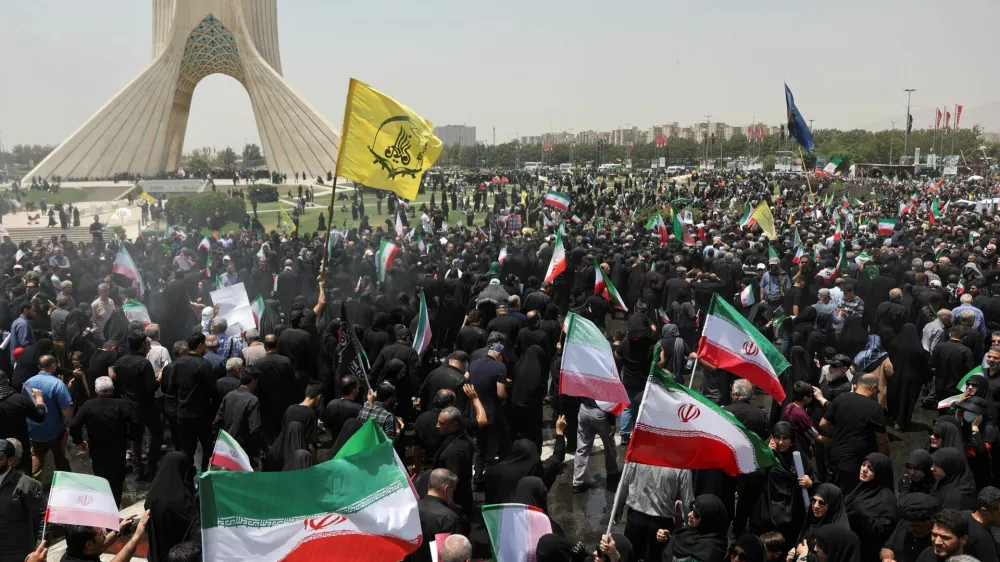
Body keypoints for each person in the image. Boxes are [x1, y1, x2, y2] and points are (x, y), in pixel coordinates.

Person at [69, 376, 139, 506]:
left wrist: (79, 441)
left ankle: (104, 505)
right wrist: (131, 437)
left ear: (96, 390)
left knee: (101, 476)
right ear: (112, 389)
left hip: (97, 448)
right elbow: (135, 422)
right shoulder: (122, 404)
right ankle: (115, 506)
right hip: (118, 447)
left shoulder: (88, 405)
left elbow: (74, 424)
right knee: (117, 480)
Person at [819, 372, 888, 494]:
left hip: (836, 455)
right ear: (873, 388)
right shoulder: (876, 409)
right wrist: (882, 461)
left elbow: (823, 424)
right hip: (858, 460)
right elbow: (882, 441)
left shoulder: (840, 398)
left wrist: (836, 434)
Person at [109, 330, 161, 480]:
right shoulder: (144, 363)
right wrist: (159, 378)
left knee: (135, 438)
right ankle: (151, 465)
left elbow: (117, 381)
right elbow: (151, 386)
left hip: (129, 407)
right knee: (156, 435)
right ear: (143, 345)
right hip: (147, 406)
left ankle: (138, 468)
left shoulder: (120, 361)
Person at [621, 463, 694, 562]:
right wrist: (689, 528)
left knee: (630, 557)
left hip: (635, 519)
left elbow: (624, 482)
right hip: (661, 524)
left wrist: (618, 508)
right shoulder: (681, 465)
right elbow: (687, 501)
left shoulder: (638, 453)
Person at [166, 332, 215, 472]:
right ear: (200, 346)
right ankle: (205, 476)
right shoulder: (205, 365)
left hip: (183, 415)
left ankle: (187, 480)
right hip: (201, 415)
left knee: (187, 450)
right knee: (207, 448)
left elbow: (171, 389)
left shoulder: (177, 364)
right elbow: (211, 390)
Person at [23, 354, 73, 482]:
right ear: (53, 365)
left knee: (37, 456)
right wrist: (72, 426)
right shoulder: (58, 385)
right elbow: (66, 410)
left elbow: (25, 405)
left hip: (34, 430)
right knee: (60, 457)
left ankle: (32, 486)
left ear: (39, 367)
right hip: (55, 431)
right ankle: (65, 485)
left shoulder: (27, 383)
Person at [843, 453, 899, 562]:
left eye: (871, 468)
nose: (864, 470)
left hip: (867, 552)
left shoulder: (887, 499)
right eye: (863, 465)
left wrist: (861, 516)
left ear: (880, 473)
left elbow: (885, 530)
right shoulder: (861, 487)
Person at [144, 452, 199, 562]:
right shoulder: (179, 499)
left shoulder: (153, 494)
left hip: (156, 554)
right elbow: (194, 518)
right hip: (176, 555)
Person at [468, 342, 509, 484]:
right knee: (504, 443)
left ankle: (477, 479)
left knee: (480, 447)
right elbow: (501, 394)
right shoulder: (500, 367)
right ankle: (504, 474)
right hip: (494, 413)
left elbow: (466, 379)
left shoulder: (473, 363)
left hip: (477, 413)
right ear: (498, 355)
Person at [407, 469, 469, 562]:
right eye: (453, 491)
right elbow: (455, 555)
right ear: (446, 489)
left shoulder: (411, 508)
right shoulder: (449, 518)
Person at [0, 438, 43, 562]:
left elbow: (42, 519)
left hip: (16, 554)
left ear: (11, 460)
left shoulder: (26, 485)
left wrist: (38, 551)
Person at [212, 365, 262, 466]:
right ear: (253, 382)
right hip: (245, 449)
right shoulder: (253, 400)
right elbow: (255, 429)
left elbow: (217, 422)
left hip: (228, 446)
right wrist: (263, 448)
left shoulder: (229, 395)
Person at [0, 369, 46, 473]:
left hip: (1, 451)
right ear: (7, 381)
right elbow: (40, 417)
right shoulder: (20, 399)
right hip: (21, 448)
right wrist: (39, 399)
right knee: (24, 475)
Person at [60, 509, 150, 562]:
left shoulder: (75, 552)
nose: (105, 533)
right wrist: (137, 536)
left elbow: (99, 545)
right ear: (89, 544)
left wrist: (118, 530)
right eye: (100, 533)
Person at [661, 494, 730, 562]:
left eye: (696, 514)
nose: (689, 514)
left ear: (708, 520)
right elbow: (678, 541)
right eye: (692, 509)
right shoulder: (691, 530)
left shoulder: (711, 552)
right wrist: (667, 537)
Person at [572, 397, 619, 493]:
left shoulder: (587, 380)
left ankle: (577, 481)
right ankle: (612, 472)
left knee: (582, 447)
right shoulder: (607, 381)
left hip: (584, 408)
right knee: (609, 444)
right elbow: (610, 399)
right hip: (600, 412)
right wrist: (612, 423)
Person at [881, 492, 939, 562]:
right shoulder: (903, 524)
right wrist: (888, 558)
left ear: (931, 523)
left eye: (916, 526)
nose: (910, 529)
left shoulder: (938, 541)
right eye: (908, 525)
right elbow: (887, 548)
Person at [323, 375, 362, 442]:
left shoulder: (332, 404)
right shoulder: (358, 408)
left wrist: (333, 441)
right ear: (354, 390)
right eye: (357, 388)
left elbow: (326, 427)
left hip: (336, 445)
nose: (358, 390)